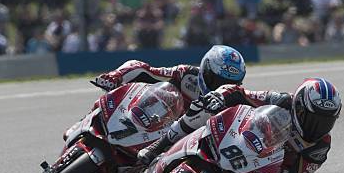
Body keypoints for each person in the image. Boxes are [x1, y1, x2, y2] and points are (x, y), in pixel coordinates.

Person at [137, 75, 342, 173]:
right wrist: (219, 96)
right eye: (313, 118)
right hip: (241, 140)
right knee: (202, 110)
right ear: (298, 106)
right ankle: (159, 145)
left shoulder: (320, 146)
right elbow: (240, 92)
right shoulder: (280, 100)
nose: (319, 126)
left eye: (326, 121)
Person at [93, 45, 247, 115]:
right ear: (205, 69)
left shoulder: (233, 100)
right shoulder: (185, 74)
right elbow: (142, 68)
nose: (219, 87)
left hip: (173, 145)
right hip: (146, 119)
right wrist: (116, 76)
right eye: (217, 80)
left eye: (228, 84)